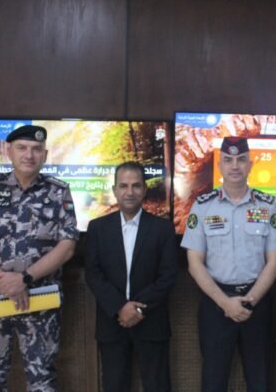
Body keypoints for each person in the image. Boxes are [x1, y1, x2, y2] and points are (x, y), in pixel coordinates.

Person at [0, 125, 79, 391]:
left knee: (43, 380)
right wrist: (3, 281)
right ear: (8, 151)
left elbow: (67, 245)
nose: (29, 155)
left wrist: (24, 279)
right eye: (22, 148)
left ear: (45, 155)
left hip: (40, 301)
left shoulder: (57, 192)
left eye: (36, 149)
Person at [181, 137, 276, 392]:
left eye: (241, 160)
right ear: (219, 165)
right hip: (216, 304)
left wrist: (248, 302)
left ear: (250, 165)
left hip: (257, 303)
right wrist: (225, 303)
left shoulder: (267, 205)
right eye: (228, 160)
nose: (234, 166)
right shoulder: (203, 206)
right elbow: (194, 263)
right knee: (213, 380)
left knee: (260, 380)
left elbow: (274, 263)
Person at [85, 161, 178, 392]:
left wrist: (136, 309)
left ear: (144, 189)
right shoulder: (97, 228)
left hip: (151, 321)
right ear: (115, 190)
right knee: (114, 386)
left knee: (157, 386)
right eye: (123, 186)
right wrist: (120, 307)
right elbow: (93, 274)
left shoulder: (162, 229)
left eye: (136, 186)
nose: (130, 192)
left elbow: (168, 276)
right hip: (112, 323)